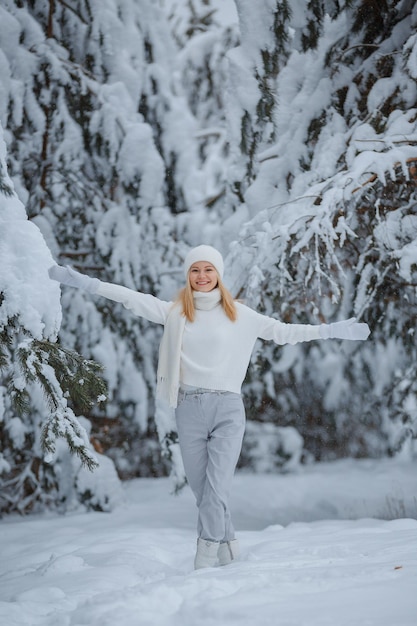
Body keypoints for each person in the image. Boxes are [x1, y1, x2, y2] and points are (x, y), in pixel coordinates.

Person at [48, 244, 370, 569]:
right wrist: (86, 283)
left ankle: (204, 558)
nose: (202, 276)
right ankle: (230, 552)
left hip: (227, 410)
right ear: (188, 275)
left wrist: (333, 330)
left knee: (216, 489)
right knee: (203, 491)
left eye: (208, 269)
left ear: (218, 274)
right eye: (195, 270)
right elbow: (133, 299)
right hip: (187, 408)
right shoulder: (176, 313)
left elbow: (285, 333)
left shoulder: (241, 316)